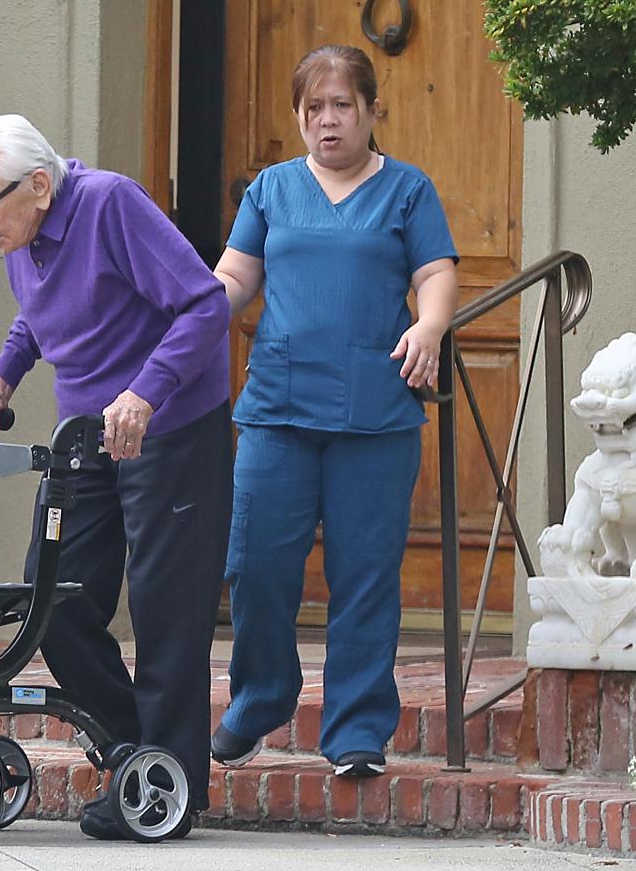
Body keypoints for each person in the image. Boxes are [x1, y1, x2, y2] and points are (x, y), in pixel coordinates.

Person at [0, 114, 230, 840]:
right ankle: (142, 757)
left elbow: (204, 304)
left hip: (169, 427)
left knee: (168, 613)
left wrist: (146, 391)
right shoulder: (23, 232)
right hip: (86, 436)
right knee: (55, 599)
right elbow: (33, 318)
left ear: (39, 185)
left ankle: (166, 790)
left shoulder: (110, 204)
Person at [208, 44, 459, 779]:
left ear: (372, 112)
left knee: (366, 576)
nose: (327, 121)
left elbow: (436, 271)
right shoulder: (271, 190)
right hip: (278, 410)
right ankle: (259, 703)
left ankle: (355, 731)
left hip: (375, 416)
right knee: (253, 565)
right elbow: (233, 277)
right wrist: (183, 318)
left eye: (341, 105)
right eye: (313, 107)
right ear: (298, 115)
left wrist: (430, 325)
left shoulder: (408, 190)